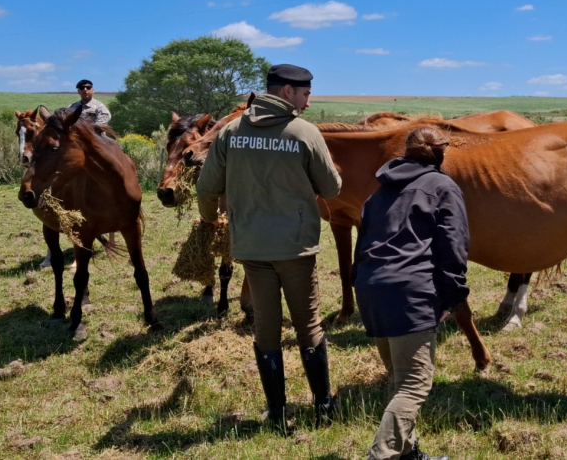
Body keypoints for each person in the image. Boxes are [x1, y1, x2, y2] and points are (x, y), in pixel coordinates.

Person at [196, 64, 342, 430]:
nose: (308, 102)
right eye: (305, 94)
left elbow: (206, 186)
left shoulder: (231, 132)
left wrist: (212, 220)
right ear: (288, 91)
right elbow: (332, 189)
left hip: (251, 248)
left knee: (266, 328)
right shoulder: (304, 133)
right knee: (308, 325)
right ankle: (323, 407)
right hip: (295, 249)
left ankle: (276, 413)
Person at [352, 126, 469, 460]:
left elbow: (363, 242)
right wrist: (451, 296)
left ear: (405, 152)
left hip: (371, 290)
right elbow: (454, 246)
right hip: (410, 292)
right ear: (442, 153)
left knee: (399, 378)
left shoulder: (379, 192)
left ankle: (408, 453)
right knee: (414, 383)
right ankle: (383, 455)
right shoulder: (443, 187)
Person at [40, 79, 113, 269]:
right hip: (75, 145)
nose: (85, 90)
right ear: (78, 91)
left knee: (117, 157)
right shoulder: (71, 107)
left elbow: (101, 126)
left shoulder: (100, 107)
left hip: (96, 144)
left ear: (93, 90)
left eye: (88, 87)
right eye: (82, 88)